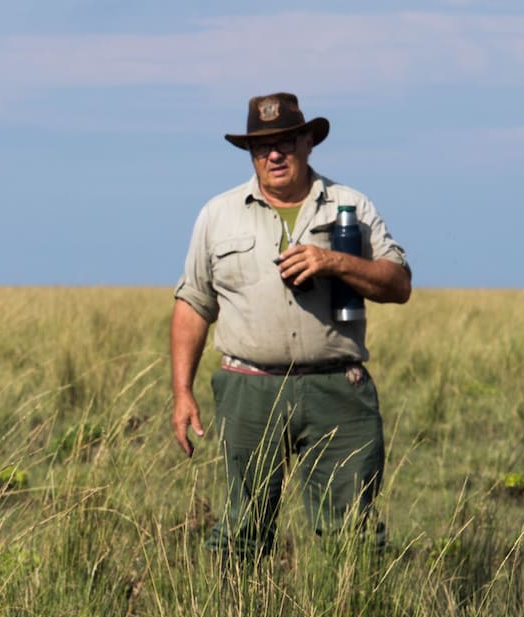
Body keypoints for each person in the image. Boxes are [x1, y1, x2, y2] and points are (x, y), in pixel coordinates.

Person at [170, 92, 411, 557]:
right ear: (251, 154)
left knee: (354, 535)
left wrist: (334, 261)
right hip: (249, 387)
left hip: (337, 387)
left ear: (307, 143)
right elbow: (194, 304)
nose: (274, 153)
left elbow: (398, 283)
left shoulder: (350, 206)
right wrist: (182, 392)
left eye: (285, 141)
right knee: (244, 530)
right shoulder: (218, 214)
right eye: (262, 146)